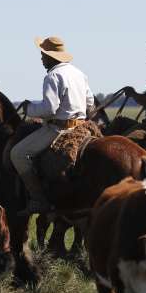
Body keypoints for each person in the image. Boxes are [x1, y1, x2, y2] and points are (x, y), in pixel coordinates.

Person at [11, 36, 94, 215]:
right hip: (81, 128)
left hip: (58, 129)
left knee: (17, 153)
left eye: (43, 55)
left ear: (51, 56)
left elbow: (49, 109)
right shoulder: (79, 73)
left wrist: (29, 108)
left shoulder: (53, 76)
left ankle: (38, 199)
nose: (41, 58)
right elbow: (90, 103)